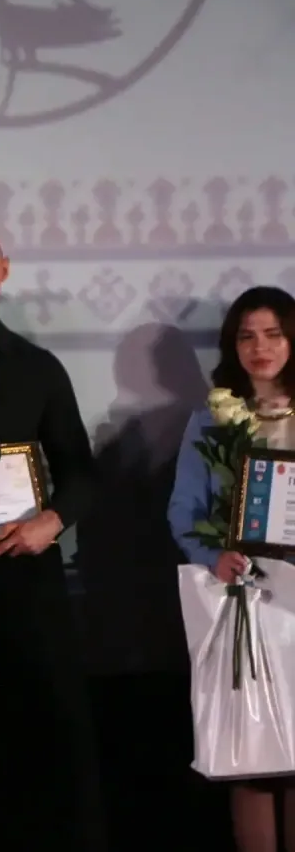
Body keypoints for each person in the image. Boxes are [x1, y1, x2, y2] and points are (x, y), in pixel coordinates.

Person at [0, 220, 106, 852]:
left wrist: (50, 522)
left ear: (4, 269)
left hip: (26, 575)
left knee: (45, 728)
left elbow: (81, 471)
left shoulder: (36, 367)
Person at [168, 286, 295, 852]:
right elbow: (183, 511)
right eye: (247, 336)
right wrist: (212, 555)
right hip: (245, 603)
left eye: (273, 334)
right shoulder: (211, 420)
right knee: (253, 757)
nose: (259, 347)